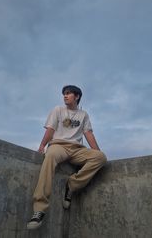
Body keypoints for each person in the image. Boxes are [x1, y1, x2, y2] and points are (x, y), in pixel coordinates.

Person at [27, 85, 107, 230]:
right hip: (59, 146)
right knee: (50, 157)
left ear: (76, 97)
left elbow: (89, 134)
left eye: (69, 93)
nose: (65, 96)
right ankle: (39, 208)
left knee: (101, 157)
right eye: (64, 94)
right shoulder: (58, 110)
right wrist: (42, 146)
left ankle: (72, 185)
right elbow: (50, 129)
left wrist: (97, 152)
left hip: (77, 149)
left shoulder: (84, 115)